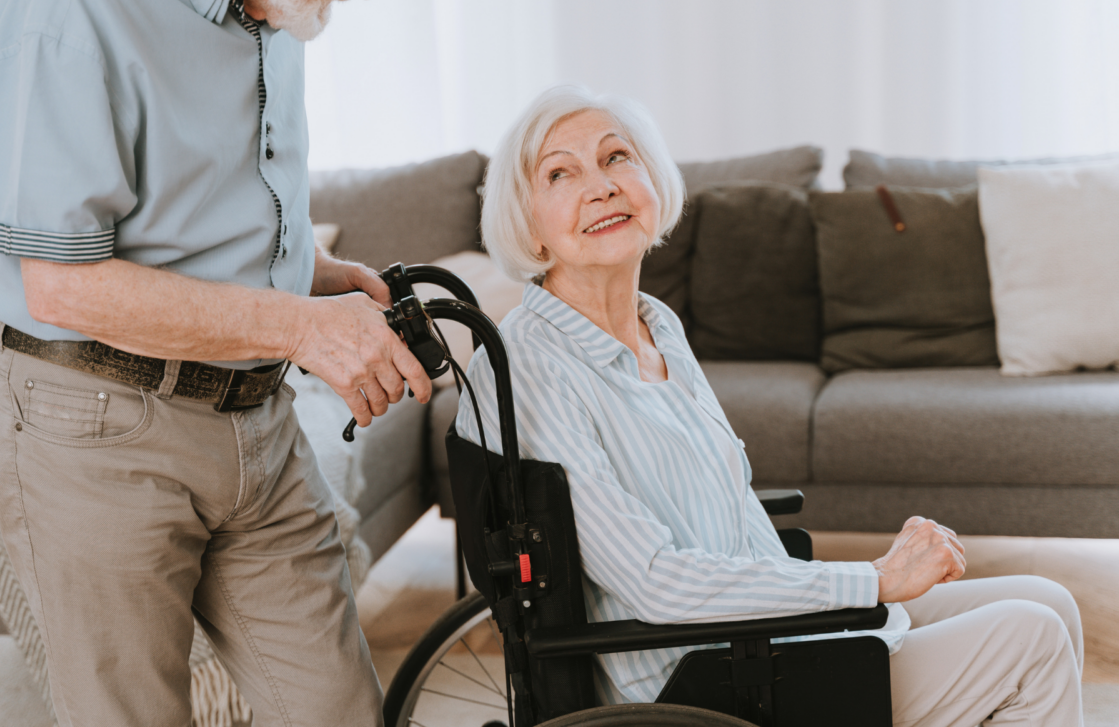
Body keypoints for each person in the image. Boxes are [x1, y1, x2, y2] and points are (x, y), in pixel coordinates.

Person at [0, 0, 427, 724]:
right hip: (97, 427)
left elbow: (194, 212)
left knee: (338, 709)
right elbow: (63, 284)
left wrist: (313, 279)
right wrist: (300, 326)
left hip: (256, 422)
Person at [455, 84, 1085, 726]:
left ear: (653, 179)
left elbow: (730, 510)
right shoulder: (531, 366)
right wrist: (871, 579)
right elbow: (654, 580)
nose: (602, 185)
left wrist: (836, 601)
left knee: (1048, 599)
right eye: (561, 173)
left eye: (617, 157)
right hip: (694, 677)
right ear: (527, 223)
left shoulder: (656, 324)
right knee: (1030, 639)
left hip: (760, 629)